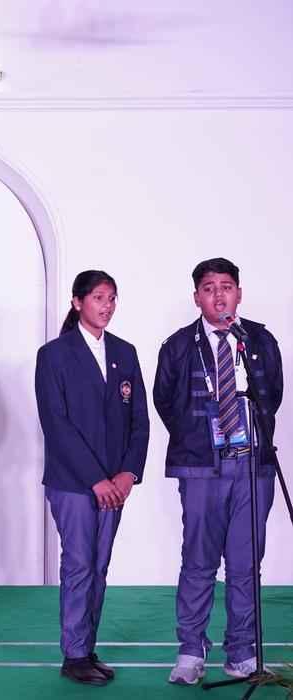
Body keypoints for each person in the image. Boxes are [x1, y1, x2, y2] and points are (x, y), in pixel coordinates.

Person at [155, 258, 283, 685]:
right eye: (209, 289)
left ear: (239, 293)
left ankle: (241, 651)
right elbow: (164, 400)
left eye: (226, 287)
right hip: (202, 468)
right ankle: (191, 650)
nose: (219, 296)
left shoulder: (259, 340)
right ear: (197, 298)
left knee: (245, 564)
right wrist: (197, 434)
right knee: (199, 560)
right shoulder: (178, 345)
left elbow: (273, 394)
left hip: (252, 466)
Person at [34, 269, 149, 687]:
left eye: (112, 298)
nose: (107, 306)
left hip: (115, 484)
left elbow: (140, 420)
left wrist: (127, 474)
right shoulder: (54, 355)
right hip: (73, 483)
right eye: (99, 297)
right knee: (80, 564)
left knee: (99, 566)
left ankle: (86, 646)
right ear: (77, 302)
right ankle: (74, 654)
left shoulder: (124, 352)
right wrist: (96, 480)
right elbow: (56, 424)